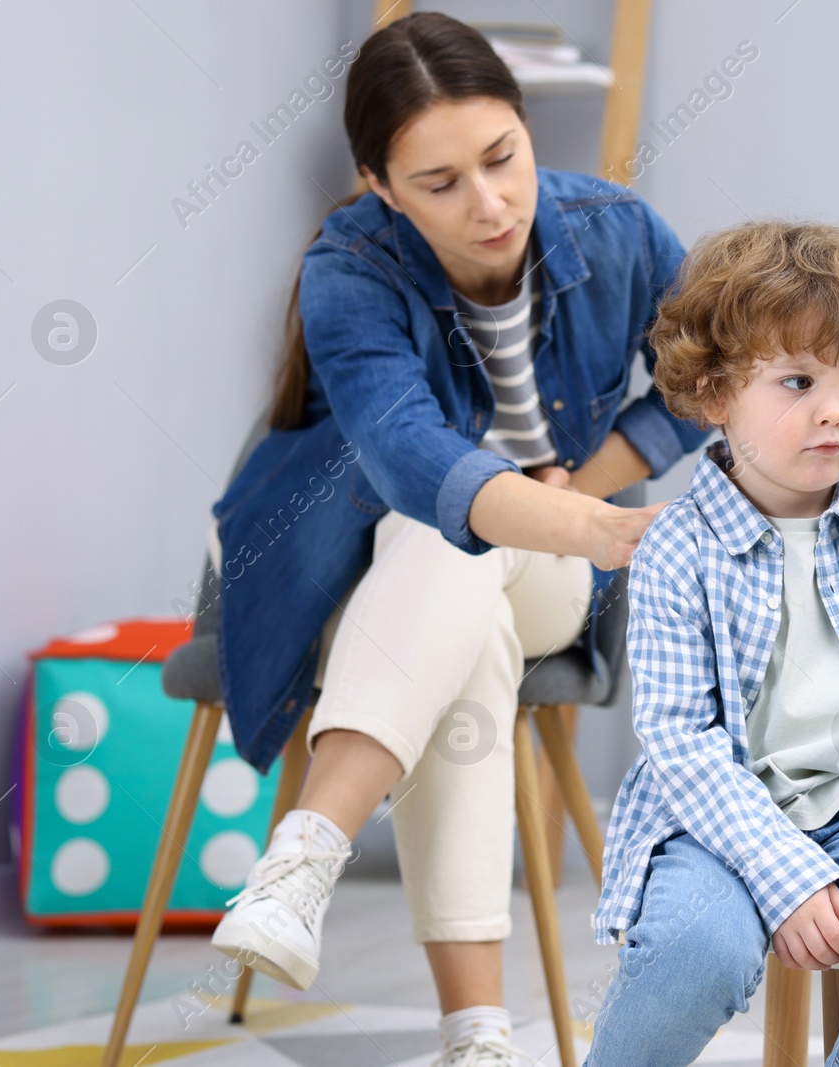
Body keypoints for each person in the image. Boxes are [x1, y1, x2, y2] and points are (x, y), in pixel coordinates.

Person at [203, 13, 709, 1066]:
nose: (488, 204)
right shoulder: (347, 267)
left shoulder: (620, 230)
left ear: (527, 129)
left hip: (553, 566)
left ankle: (307, 852)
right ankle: (477, 1037)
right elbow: (408, 456)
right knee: (452, 564)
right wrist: (585, 520)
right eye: (438, 183)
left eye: (502, 159)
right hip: (363, 566)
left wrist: (589, 489)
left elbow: (705, 382)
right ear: (380, 185)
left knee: (459, 554)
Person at [583, 220, 839, 1066]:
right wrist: (784, 868)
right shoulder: (677, 546)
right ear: (714, 393)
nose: (835, 409)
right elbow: (678, 741)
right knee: (694, 950)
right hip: (715, 824)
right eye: (798, 380)